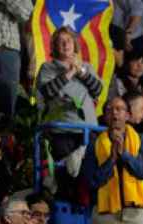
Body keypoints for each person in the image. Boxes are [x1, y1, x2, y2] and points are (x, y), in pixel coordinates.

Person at [82, 97, 143, 224]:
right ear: (105, 117)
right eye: (109, 110)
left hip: (135, 213)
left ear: (128, 115)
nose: (114, 113)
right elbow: (92, 181)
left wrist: (124, 154)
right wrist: (112, 159)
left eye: (119, 109)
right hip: (105, 213)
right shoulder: (95, 143)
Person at [34, 26, 105, 167]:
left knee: (90, 170)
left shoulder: (87, 67)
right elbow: (48, 91)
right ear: (54, 47)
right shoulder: (47, 68)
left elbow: (97, 90)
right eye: (61, 42)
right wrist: (70, 72)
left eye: (68, 40)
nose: (66, 44)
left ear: (74, 44)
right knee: (67, 173)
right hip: (62, 131)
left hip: (88, 129)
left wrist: (82, 73)